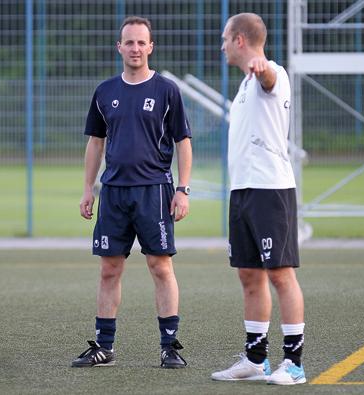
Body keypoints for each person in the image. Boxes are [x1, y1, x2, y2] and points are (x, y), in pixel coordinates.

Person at [71, 16, 192, 369]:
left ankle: (170, 347)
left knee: (160, 266)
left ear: (150, 47)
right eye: (130, 42)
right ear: (119, 47)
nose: (135, 48)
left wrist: (182, 189)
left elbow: (183, 143)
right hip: (113, 192)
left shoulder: (167, 91)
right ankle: (104, 348)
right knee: (109, 270)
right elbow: (96, 143)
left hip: (154, 190)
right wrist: (87, 189)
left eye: (142, 42)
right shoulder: (105, 91)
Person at [211, 13, 306, 385]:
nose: (221, 46)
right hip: (243, 191)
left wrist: (262, 66)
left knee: (281, 275)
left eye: (224, 38)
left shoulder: (272, 75)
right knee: (249, 274)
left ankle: (294, 364)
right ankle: (255, 359)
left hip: (271, 191)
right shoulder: (243, 86)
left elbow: (269, 78)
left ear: (239, 39)